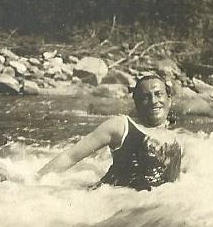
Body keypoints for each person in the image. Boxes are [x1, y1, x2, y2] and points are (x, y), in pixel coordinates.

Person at [37, 74, 182, 190]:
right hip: (109, 202)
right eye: (145, 97)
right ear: (137, 103)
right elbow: (70, 156)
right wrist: (35, 181)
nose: (153, 101)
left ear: (169, 100)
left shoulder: (178, 139)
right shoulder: (121, 126)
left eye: (158, 94)